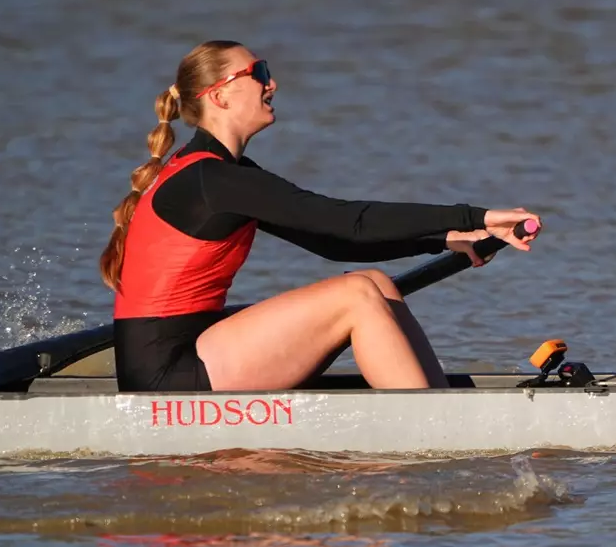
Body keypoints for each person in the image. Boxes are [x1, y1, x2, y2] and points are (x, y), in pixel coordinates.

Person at [101, 40, 539, 393]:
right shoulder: (210, 179)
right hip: (168, 373)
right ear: (219, 96)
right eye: (259, 73)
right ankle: (431, 428)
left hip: (195, 349)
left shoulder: (220, 175)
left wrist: (447, 238)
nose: (272, 84)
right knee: (356, 295)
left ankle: (435, 402)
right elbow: (348, 222)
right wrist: (475, 215)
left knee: (374, 283)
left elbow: (334, 241)